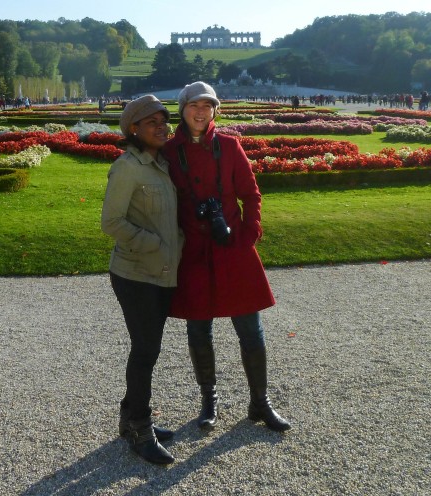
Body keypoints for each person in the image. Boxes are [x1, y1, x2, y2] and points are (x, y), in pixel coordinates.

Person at [163, 81, 291, 434]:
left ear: (216, 111)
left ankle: (260, 402)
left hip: (233, 248)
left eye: (208, 106)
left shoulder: (231, 147)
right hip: (194, 252)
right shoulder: (170, 152)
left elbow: (252, 196)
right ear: (183, 108)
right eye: (194, 105)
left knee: (250, 329)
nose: (201, 112)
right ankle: (209, 399)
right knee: (199, 329)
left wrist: (249, 236)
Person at [101, 95, 183, 465]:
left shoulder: (161, 164)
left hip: (161, 272)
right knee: (146, 350)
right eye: (152, 123)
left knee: (148, 348)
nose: (162, 127)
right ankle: (140, 427)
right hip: (135, 274)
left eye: (164, 121)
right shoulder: (127, 168)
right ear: (133, 128)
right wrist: (154, 245)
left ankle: (129, 417)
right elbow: (111, 222)